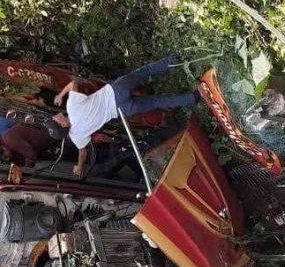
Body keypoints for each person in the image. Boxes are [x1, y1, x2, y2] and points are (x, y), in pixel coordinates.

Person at [51, 55, 197, 177]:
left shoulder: (77, 136)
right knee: (145, 72)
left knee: (156, 102)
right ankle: (174, 60)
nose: (53, 117)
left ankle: (192, 97)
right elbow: (74, 84)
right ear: (62, 124)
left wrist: (79, 166)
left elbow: (82, 152)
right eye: (54, 120)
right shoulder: (72, 107)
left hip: (122, 110)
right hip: (116, 91)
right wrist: (60, 95)